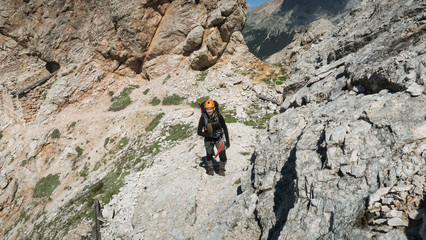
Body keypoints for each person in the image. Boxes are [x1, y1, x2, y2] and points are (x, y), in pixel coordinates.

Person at [197, 100, 230, 176]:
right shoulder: (203, 117)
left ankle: (221, 169)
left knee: (223, 155)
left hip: (219, 138)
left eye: (211, 109)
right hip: (208, 138)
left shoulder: (218, 116)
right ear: (205, 109)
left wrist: (227, 141)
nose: (209, 111)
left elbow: (224, 127)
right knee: (209, 155)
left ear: (214, 108)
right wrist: (211, 135)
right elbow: (199, 132)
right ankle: (210, 168)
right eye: (208, 109)